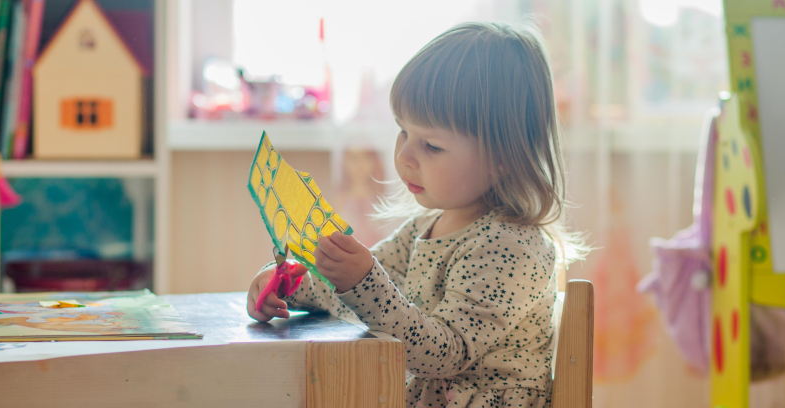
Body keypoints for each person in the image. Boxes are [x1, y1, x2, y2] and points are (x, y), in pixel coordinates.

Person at [247, 21, 586, 408]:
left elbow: (442, 354)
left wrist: (362, 281)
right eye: (403, 132)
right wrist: (291, 283)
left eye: (432, 146)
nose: (404, 156)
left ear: (503, 156)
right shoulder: (424, 228)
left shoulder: (513, 249)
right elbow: (362, 297)